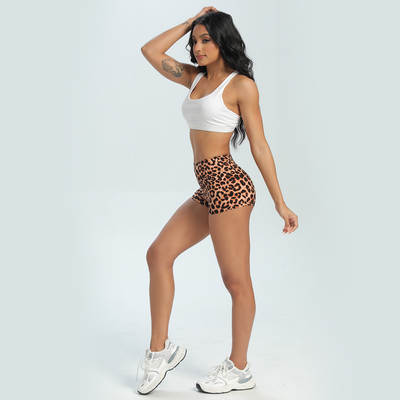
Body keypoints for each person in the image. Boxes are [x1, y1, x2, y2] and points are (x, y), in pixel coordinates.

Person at [136, 6, 299, 395]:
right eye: (195, 41)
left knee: (236, 281)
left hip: (230, 187)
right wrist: (189, 22)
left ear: (224, 40)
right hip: (208, 188)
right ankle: (160, 350)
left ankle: (240, 368)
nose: (198, 47)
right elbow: (150, 51)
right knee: (158, 255)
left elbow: (259, 145)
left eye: (206, 39)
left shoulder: (241, 85)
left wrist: (280, 203)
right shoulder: (194, 78)